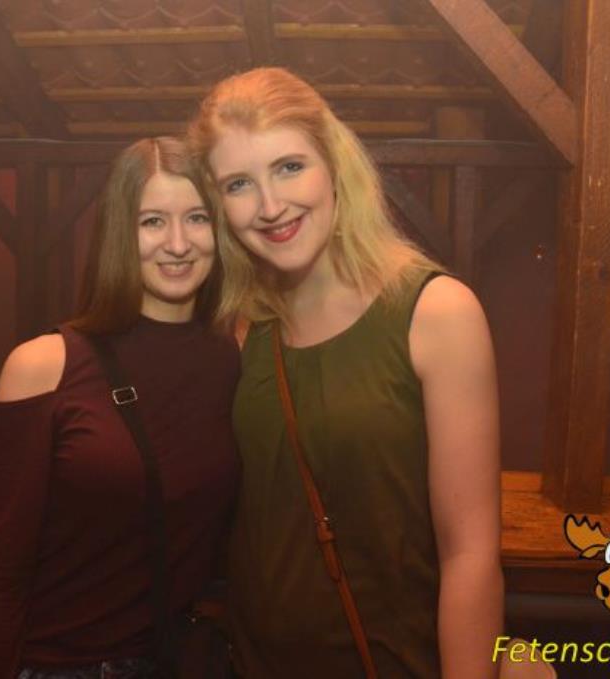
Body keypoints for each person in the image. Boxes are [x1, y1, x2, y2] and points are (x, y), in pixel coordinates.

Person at [187, 67, 503, 678]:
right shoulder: (241, 326)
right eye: (239, 184)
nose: (270, 206)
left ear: (334, 164)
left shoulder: (436, 313)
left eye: (289, 167)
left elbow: (470, 556)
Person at [0, 137, 241, 679]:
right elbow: (0, 571)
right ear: (119, 234)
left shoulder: (232, 359)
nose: (178, 243)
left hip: (177, 660)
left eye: (197, 218)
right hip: (61, 666)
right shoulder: (44, 367)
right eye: (152, 221)